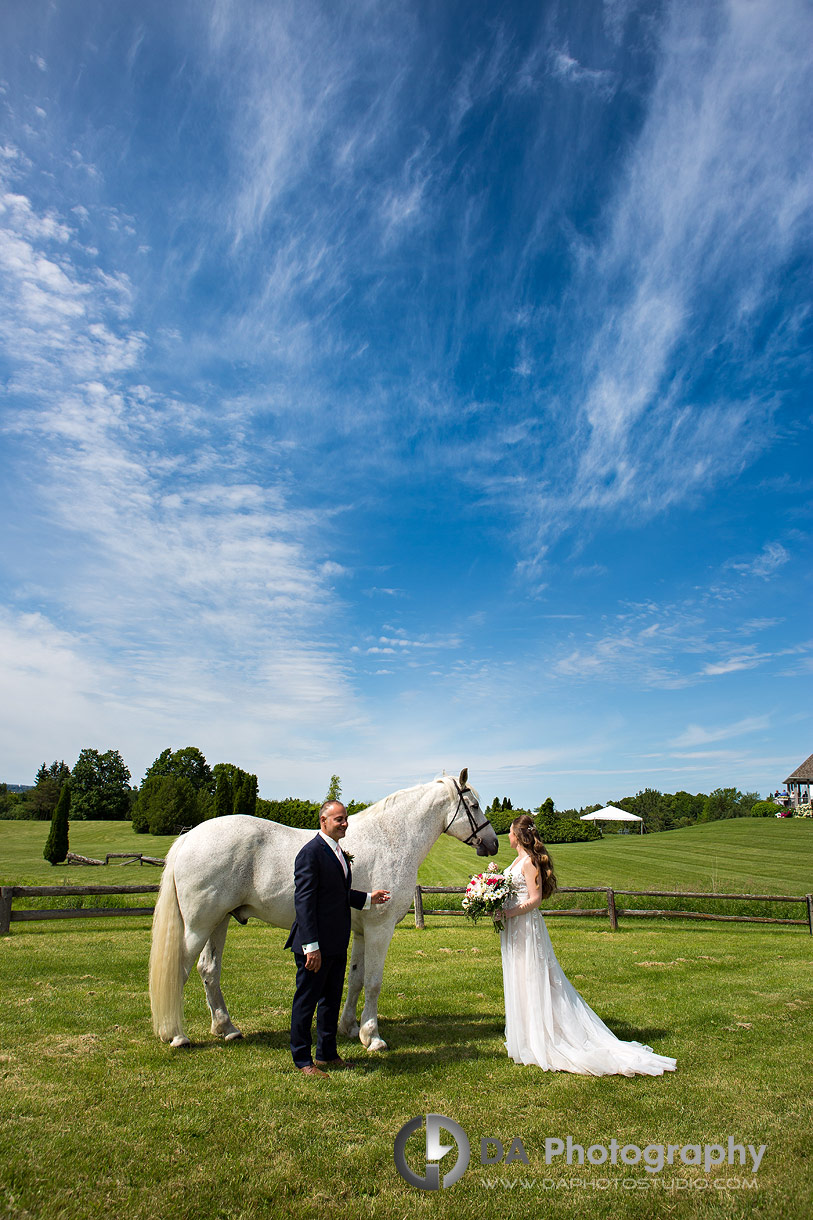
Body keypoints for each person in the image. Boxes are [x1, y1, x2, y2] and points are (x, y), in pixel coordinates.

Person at [497, 815, 676, 1076]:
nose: (508, 836)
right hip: (514, 928)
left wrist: (509, 914)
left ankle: (544, 1037)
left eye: (510, 832)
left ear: (518, 835)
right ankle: (524, 1035)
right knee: (519, 977)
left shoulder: (530, 863)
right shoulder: (517, 859)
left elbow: (535, 900)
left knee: (533, 977)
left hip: (526, 927)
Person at [285, 800, 390, 1077]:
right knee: (306, 1002)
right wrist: (311, 947)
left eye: (345, 819)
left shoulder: (338, 852)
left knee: (330, 1001)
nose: (344, 823)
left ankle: (327, 1054)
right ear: (323, 821)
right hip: (315, 945)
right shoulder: (310, 853)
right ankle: (302, 1060)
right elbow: (304, 902)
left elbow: (336, 894)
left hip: (335, 942)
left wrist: (368, 898)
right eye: (338, 819)